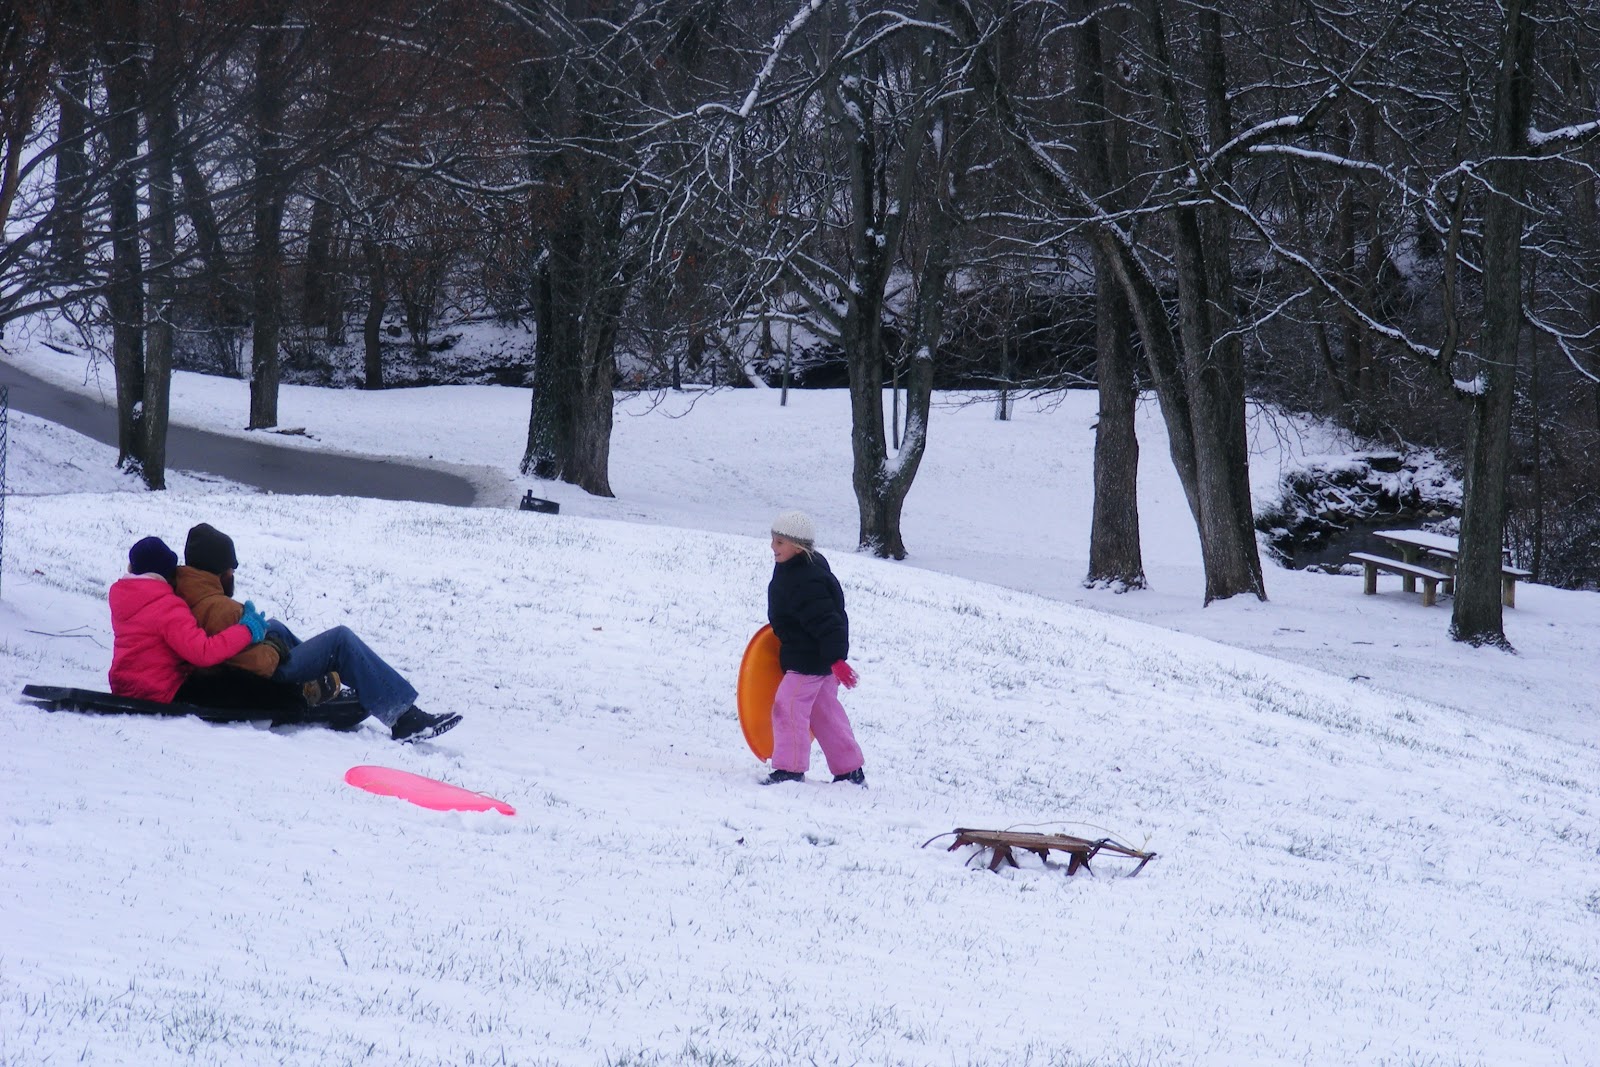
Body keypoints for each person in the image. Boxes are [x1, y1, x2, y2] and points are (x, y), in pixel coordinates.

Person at [178, 522, 461, 743]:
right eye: (231, 567)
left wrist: (265, 634)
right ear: (220, 570)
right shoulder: (220, 608)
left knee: (274, 625)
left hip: (236, 671)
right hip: (259, 679)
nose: (233, 574)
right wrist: (272, 645)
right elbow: (258, 664)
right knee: (340, 640)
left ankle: (325, 682)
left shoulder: (190, 593)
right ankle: (403, 718)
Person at [761, 510, 866, 787]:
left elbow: (828, 620)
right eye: (773, 539)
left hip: (808, 661)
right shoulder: (796, 568)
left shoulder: (806, 579)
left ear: (798, 546)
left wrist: (836, 659)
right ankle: (849, 771)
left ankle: (789, 769)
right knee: (825, 714)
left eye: (780, 542)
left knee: (789, 707)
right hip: (816, 659)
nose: (773, 546)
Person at [108, 536, 270, 703]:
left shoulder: (124, 599)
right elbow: (203, 653)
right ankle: (293, 703)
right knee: (239, 685)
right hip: (162, 691)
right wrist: (247, 629)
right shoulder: (167, 606)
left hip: (123, 685)